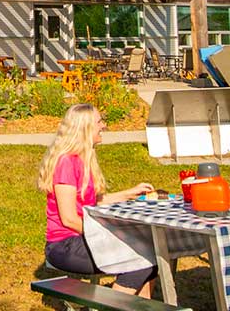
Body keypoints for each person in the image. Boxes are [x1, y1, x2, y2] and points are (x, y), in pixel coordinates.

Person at [39, 104, 160, 298]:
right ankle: (112, 304)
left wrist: (130, 193)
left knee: (151, 256)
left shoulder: (81, 159)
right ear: (85, 129)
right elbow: (69, 218)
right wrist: (106, 234)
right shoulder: (66, 163)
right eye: (99, 122)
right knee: (142, 259)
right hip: (64, 245)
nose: (103, 126)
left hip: (80, 239)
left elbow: (91, 201)